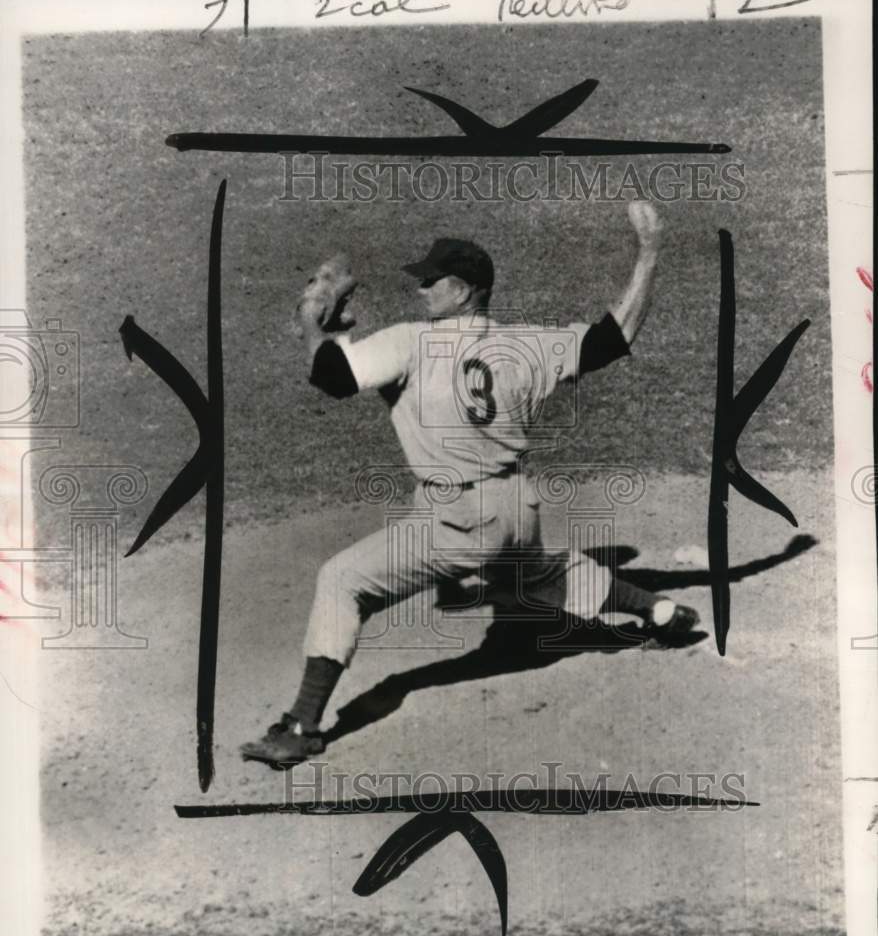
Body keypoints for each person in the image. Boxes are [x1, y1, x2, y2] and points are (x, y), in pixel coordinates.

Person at [241, 200, 699, 769]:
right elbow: (615, 336)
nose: (420, 290)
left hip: (456, 521)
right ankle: (655, 610)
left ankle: (300, 726)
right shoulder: (528, 344)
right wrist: (650, 253)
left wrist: (314, 325)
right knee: (533, 575)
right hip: (516, 508)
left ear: (463, 291)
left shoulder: (410, 342)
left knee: (342, 581)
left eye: (431, 282)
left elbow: (331, 378)